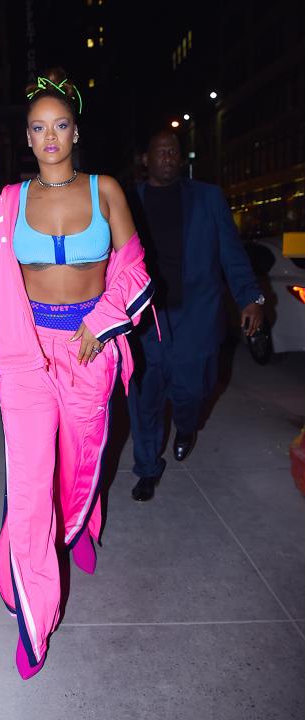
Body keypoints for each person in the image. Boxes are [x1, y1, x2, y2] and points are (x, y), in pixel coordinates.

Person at [0, 68, 154, 679]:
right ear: (26, 136)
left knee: (78, 464)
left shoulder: (106, 191)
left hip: (88, 350)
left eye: (60, 125)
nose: (49, 137)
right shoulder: (9, 202)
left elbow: (134, 269)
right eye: (37, 128)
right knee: (28, 486)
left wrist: (102, 323)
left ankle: (79, 526)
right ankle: (34, 615)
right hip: (25, 351)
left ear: (76, 131)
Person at [127, 130, 264, 502]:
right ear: (146, 160)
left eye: (173, 151)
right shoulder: (129, 202)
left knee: (193, 391)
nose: (168, 157)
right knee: (145, 399)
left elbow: (231, 253)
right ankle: (147, 468)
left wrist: (250, 297)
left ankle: (186, 426)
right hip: (146, 321)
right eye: (161, 151)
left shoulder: (208, 198)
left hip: (196, 318)